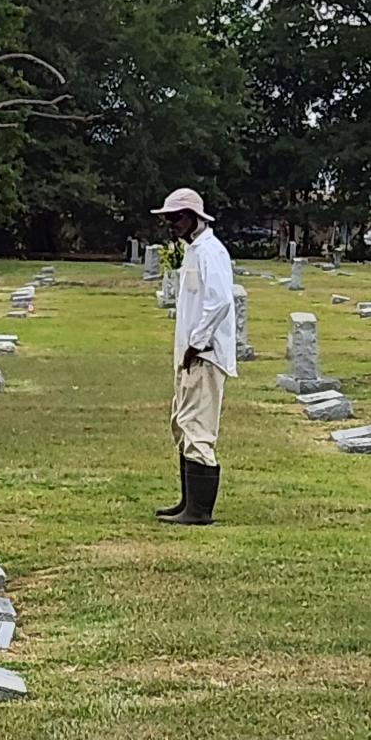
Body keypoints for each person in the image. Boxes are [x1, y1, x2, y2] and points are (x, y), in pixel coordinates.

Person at [152, 188, 235, 525]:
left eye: (176, 218)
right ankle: (188, 501)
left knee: (198, 428)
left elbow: (219, 302)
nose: (171, 225)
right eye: (168, 219)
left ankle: (200, 511)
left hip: (204, 355)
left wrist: (196, 344)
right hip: (190, 356)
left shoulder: (210, 252)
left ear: (194, 217)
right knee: (183, 424)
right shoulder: (194, 251)